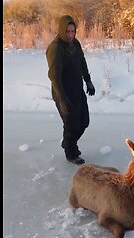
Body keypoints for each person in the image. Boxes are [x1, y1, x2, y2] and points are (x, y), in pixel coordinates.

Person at [46, 15, 95, 165]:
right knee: (71, 125)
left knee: (84, 122)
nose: (70, 35)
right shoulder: (55, 48)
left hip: (77, 90)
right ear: (62, 30)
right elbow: (54, 76)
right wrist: (62, 99)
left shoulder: (75, 44)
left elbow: (82, 62)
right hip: (63, 93)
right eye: (67, 31)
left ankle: (68, 143)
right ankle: (70, 153)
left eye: (73, 31)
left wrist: (88, 80)